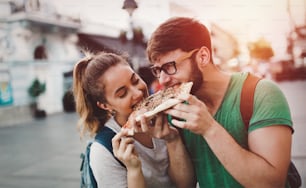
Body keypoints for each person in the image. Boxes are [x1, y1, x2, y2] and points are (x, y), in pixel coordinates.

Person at [144, 17, 293, 187]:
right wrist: (172, 140)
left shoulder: (261, 94)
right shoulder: (178, 112)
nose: (162, 80)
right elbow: (186, 185)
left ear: (203, 56)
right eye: (157, 70)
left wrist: (209, 128)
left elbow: (272, 184)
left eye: (169, 67)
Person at [72, 51, 194, 188]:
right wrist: (133, 169)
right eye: (122, 94)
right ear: (105, 105)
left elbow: (187, 185)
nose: (138, 93)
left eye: (135, 81)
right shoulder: (103, 151)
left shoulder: (169, 114)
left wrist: (173, 139)